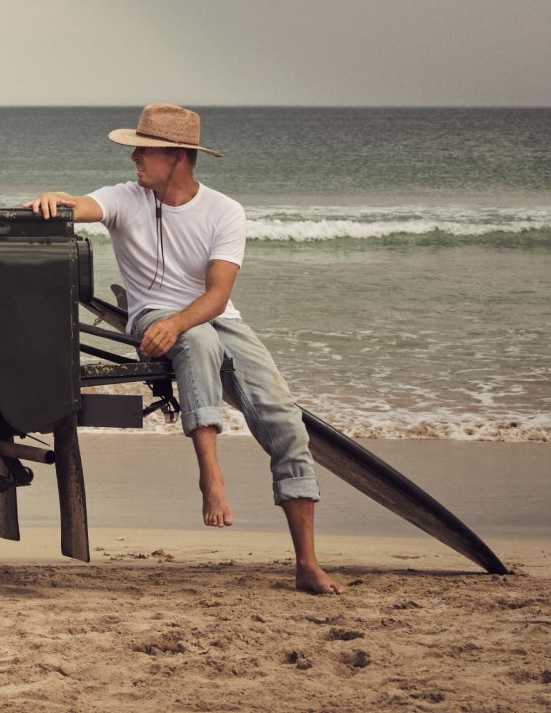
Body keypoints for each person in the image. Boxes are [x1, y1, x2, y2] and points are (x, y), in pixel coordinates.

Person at [26, 104, 345, 595]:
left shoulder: (224, 211)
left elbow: (217, 297)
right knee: (194, 340)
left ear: (176, 156)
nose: (133, 156)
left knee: (285, 420)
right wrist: (57, 200)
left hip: (217, 319)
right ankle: (210, 474)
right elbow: (82, 205)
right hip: (155, 319)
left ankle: (306, 563)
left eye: (143, 149)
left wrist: (180, 320)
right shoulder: (126, 199)